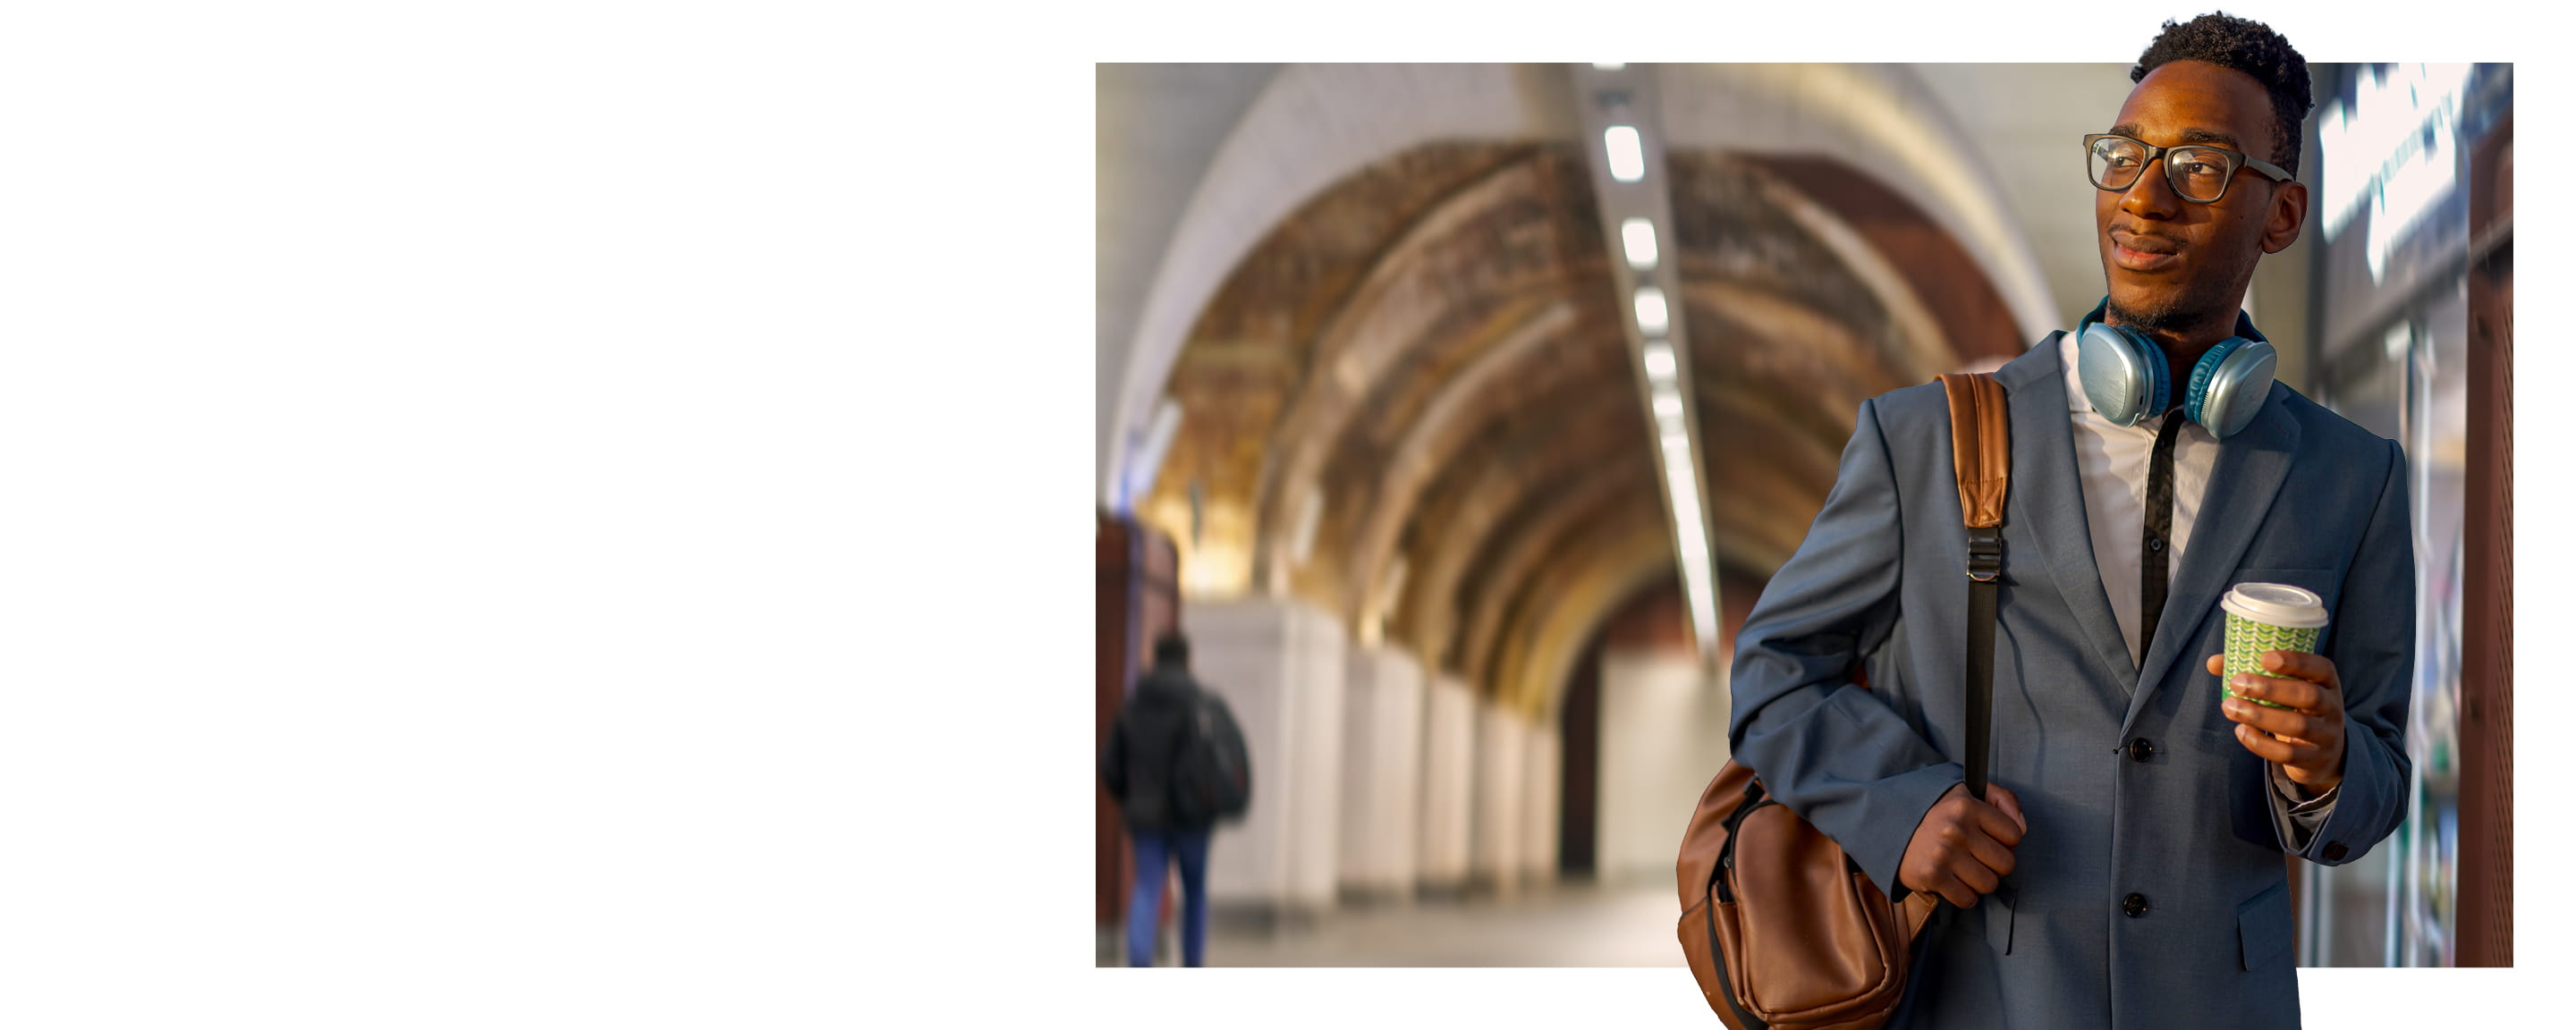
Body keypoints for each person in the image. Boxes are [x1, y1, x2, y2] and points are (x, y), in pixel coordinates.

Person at [1724, 14, 2412, 1027]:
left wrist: (2327, 766)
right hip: (1980, 1000)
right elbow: (1775, 672)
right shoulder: (1926, 441)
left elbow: (2383, 778)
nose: (2144, 196)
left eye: (2200, 167)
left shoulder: (2354, 479)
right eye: (2125, 156)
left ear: (2282, 215)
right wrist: (1900, 806)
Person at [1099, 631, 1218, 967]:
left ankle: (1139, 965)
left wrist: (1131, 795)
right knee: (1194, 892)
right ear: (1187, 660)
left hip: (1147, 816)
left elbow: (1109, 764)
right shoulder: (1202, 702)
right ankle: (1193, 963)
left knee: (1147, 889)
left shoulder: (1135, 704)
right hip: (1194, 817)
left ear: (1155, 658)